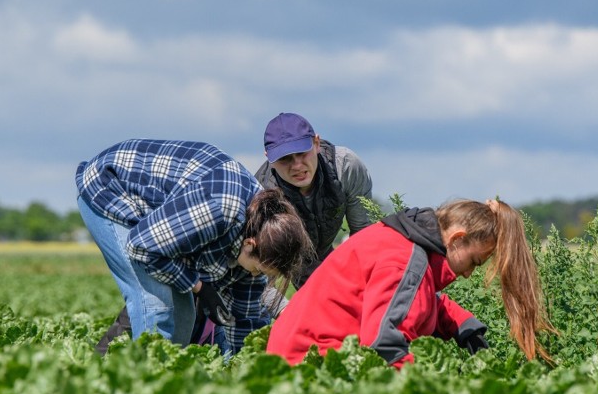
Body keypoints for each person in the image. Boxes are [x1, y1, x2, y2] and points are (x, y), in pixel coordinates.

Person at [76, 139, 312, 355]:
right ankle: (144, 383)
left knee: (184, 316)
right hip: (111, 188)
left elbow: (247, 319)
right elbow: (141, 246)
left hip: (159, 223)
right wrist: (199, 286)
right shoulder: (219, 209)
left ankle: (157, 375)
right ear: (250, 244)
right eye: (258, 270)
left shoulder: (261, 230)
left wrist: (244, 365)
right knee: (157, 304)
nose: (255, 276)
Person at [266, 199, 557, 368]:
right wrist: (426, 390)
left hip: (299, 354)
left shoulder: (403, 241)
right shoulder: (404, 259)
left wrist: (464, 326)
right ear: (456, 239)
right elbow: (384, 346)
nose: (469, 274)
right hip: (309, 365)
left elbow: (417, 294)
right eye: (474, 262)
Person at [255, 113, 373, 291]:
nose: (297, 166)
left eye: (302, 153)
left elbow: (363, 235)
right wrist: (285, 312)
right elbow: (257, 272)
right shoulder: (261, 194)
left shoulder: (346, 167)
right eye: (284, 158)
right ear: (269, 159)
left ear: (316, 143)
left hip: (329, 254)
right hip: (292, 263)